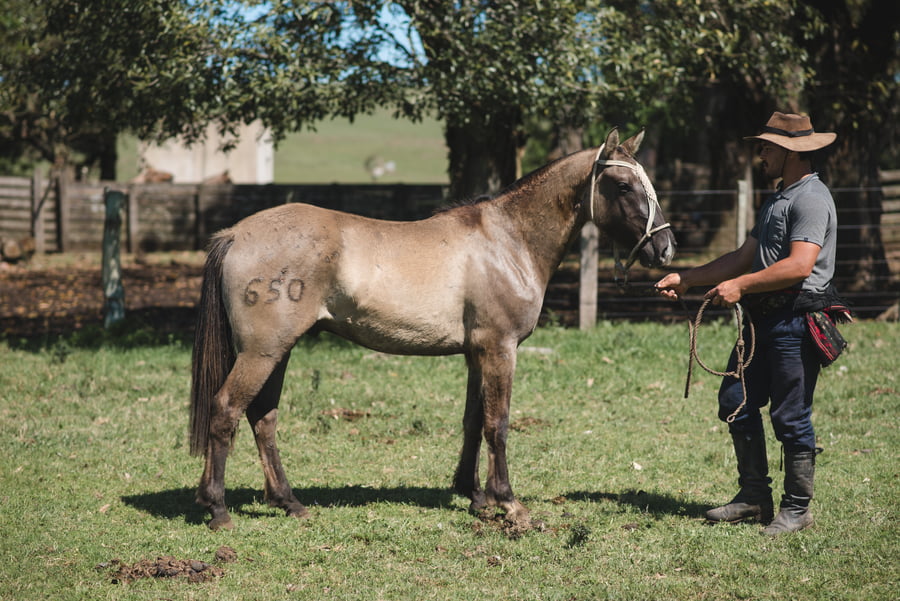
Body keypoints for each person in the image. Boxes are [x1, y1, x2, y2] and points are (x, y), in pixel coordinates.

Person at [655, 111, 846, 536]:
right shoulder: (779, 197)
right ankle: (754, 497)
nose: (760, 152)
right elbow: (744, 257)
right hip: (763, 322)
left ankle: (797, 509)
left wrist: (739, 286)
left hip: (795, 320)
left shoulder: (811, 199)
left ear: (791, 151)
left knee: (790, 416)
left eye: (766, 146)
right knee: (734, 400)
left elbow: (799, 265)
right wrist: (688, 278)